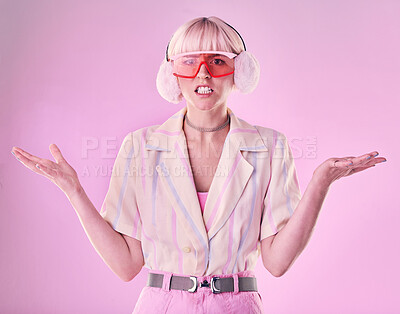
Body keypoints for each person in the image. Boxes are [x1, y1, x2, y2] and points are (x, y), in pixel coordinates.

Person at [11, 16, 387, 314]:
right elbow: (126, 264)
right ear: (173, 72)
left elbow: (277, 261)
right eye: (190, 62)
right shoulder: (140, 147)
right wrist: (73, 190)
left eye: (217, 62)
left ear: (239, 71)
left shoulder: (270, 147)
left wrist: (321, 182)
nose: (203, 74)